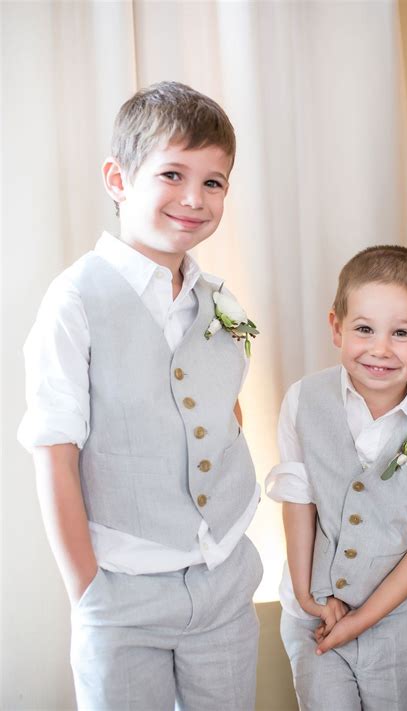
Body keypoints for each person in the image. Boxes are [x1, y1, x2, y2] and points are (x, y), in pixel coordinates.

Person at [18, 81, 262, 711]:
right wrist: (89, 591)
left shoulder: (221, 300)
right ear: (118, 179)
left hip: (224, 580)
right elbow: (54, 453)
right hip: (122, 593)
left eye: (215, 182)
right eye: (173, 174)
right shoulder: (74, 301)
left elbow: (226, 405)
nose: (194, 198)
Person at [266, 245, 407, 711]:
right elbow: (299, 502)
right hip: (312, 615)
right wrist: (308, 596)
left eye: (401, 333)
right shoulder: (303, 400)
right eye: (363, 329)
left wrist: (362, 621)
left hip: (395, 622)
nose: (380, 349)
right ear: (336, 327)